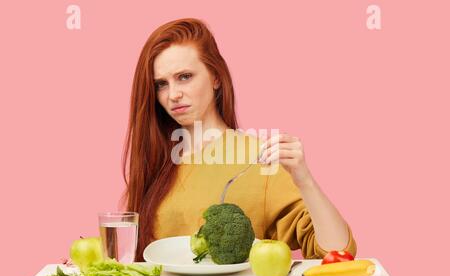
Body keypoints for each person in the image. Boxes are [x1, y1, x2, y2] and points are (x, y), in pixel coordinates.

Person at [120, 18, 357, 262]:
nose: (173, 94)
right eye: (161, 84)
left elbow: (337, 252)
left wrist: (304, 179)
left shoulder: (260, 159)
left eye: (184, 77)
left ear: (216, 77)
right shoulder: (155, 162)